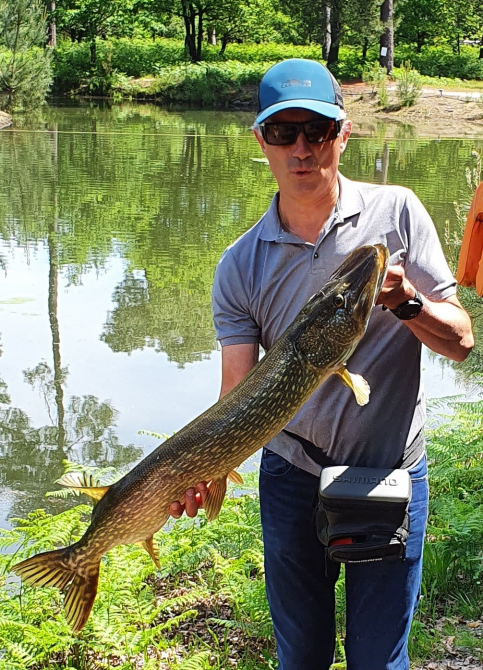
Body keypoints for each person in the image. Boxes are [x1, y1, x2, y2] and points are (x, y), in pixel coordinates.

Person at [169, 59, 474, 670]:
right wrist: (200, 471)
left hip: (389, 470)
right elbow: (236, 399)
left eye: (317, 130)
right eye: (284, 132)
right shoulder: (240, 264)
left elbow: (461, 341)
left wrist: (406, 302)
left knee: (378, 659)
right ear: (262, 140)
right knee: (301, 655)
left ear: (344, 133)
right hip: (292, 474)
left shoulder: (398, 213)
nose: (301, 148)